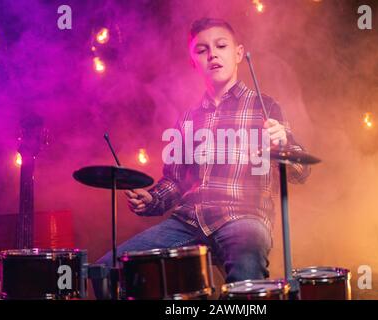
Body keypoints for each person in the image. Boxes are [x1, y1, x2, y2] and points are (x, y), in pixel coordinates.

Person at [95, 17, 311, 298]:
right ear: (193, 62)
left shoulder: (264, 107)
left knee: (248, 265)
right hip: (187, 221)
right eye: (202, 50)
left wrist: (284, 144)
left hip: (243, 217)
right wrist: (152, 199)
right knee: (106, 269)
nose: (212, 54)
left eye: (221, 46)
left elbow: (300, 171)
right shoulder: (187, 118)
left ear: (237, 54)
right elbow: (175, 182)